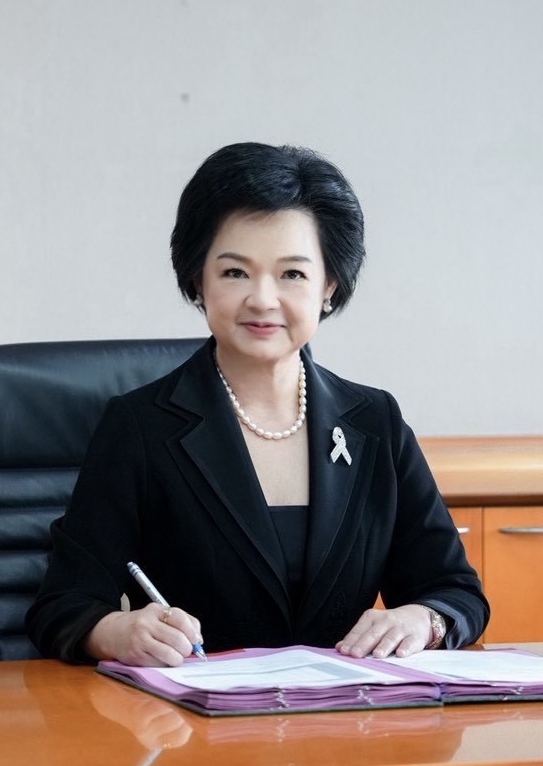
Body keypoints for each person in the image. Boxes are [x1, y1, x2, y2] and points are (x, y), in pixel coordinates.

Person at [26, 142, 489, 666]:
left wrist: (424, 619)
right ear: (198, 280)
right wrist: (116, 632)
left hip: (344, 710)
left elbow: (455, 591)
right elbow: (61, 606)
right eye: (234, 272)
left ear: (329, 286)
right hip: (191, 711)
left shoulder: (374, 422)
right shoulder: (139, 427)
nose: (263, 299)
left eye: (292, 274)